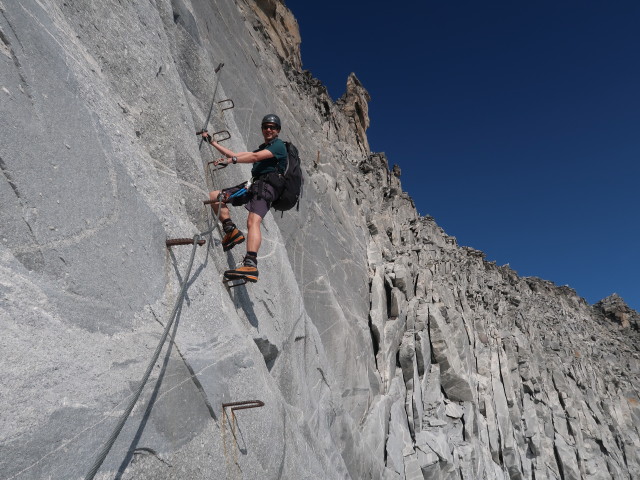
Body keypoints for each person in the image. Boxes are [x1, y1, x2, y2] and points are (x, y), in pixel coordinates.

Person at [200, 114, 287, 283]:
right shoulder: (264, 148)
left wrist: (232, 160)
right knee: (215, 197)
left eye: (272, 127)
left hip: (267, 187)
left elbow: (251, 158)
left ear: (278, 131)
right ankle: (230, 230)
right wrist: (212, 142)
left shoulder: (278, 146)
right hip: (253, 185)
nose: (269, 129)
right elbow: (237, 154)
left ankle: (251, 265)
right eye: (266, 126)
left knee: (253, 220)